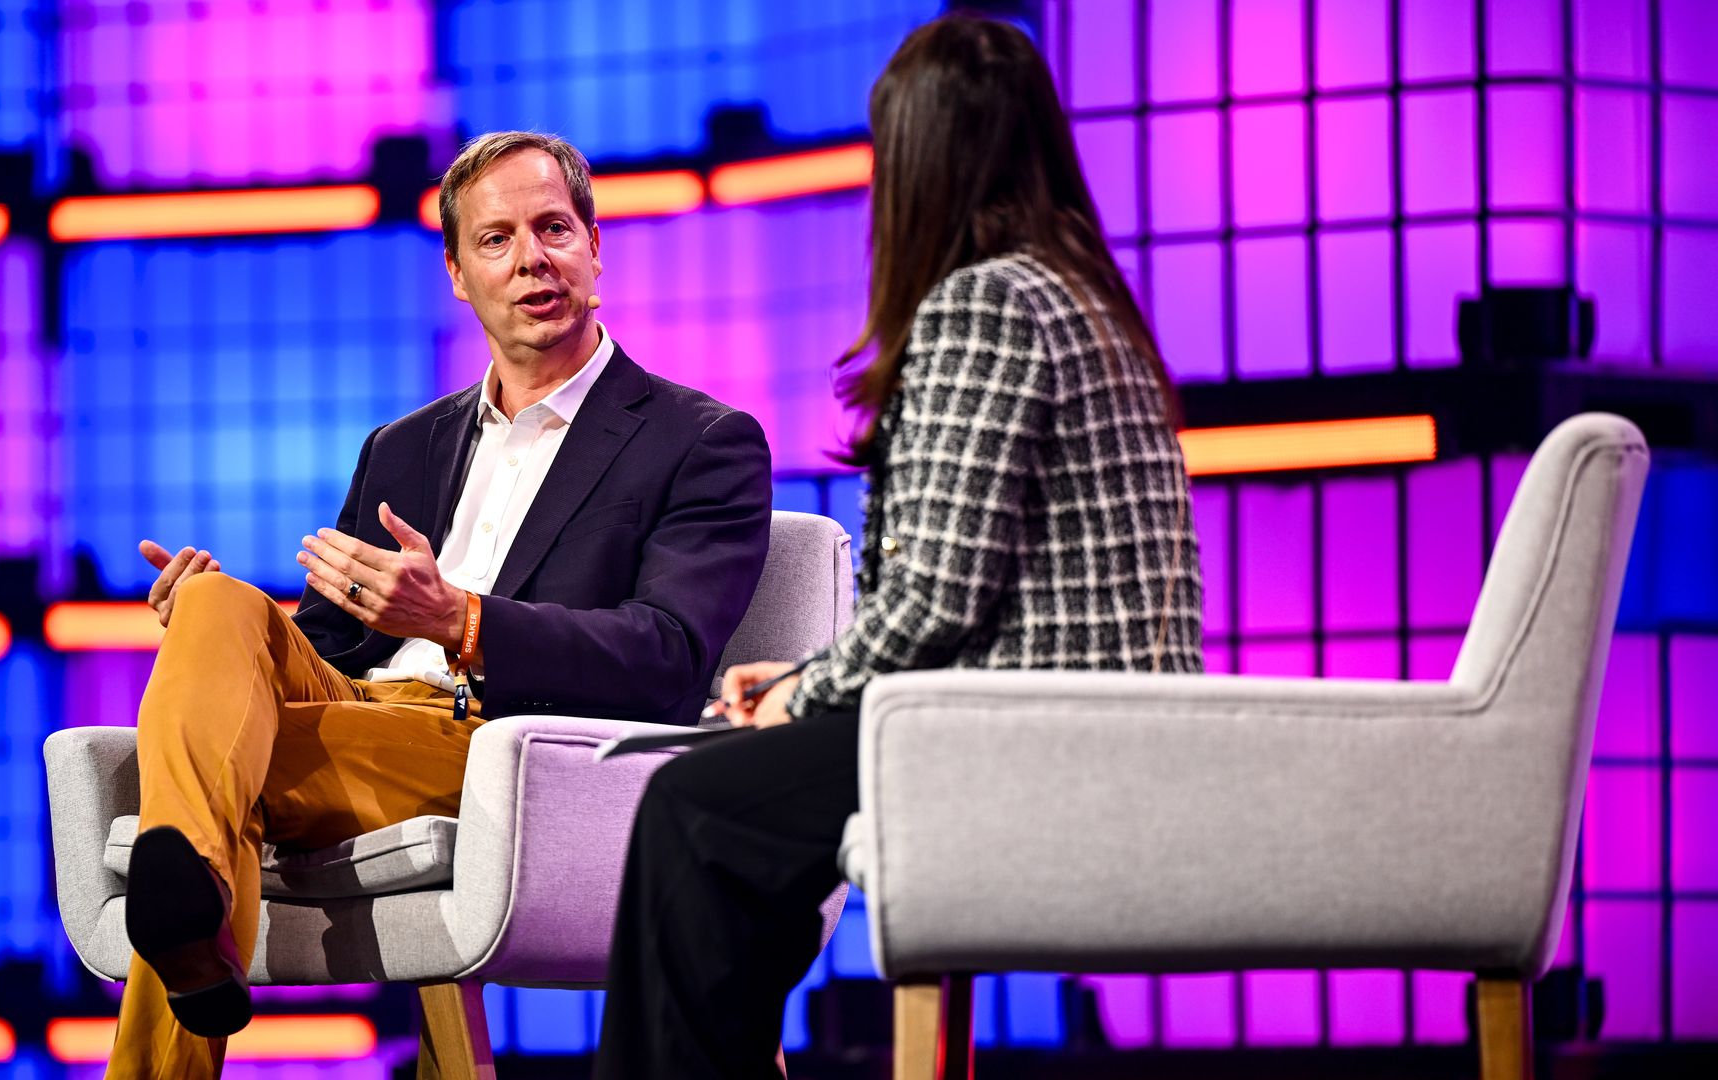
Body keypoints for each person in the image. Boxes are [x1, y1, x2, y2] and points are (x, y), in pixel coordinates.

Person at [592, 14, 1204, 1078]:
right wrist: (805, 682)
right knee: (734, 822)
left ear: (916, 159)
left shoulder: (985, 304)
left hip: (1028, 737)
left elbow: (935, 604)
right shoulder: (1087, 296)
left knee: (690, 810)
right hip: (1106, 725)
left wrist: (798, 695)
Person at [108, 131, 773, 1078]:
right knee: (216, 605)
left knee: (202, 795)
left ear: (595, 248)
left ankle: (187, 890)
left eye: (553, 229)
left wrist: (460, 620)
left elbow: (666, 657)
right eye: (496, 240)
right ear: (459, 275)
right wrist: (206, 635)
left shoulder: (697, 439)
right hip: (361, 713)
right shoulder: (403, 446)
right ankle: (188, 895)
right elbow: (326, 647)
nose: (532, 258)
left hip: (504, 742)